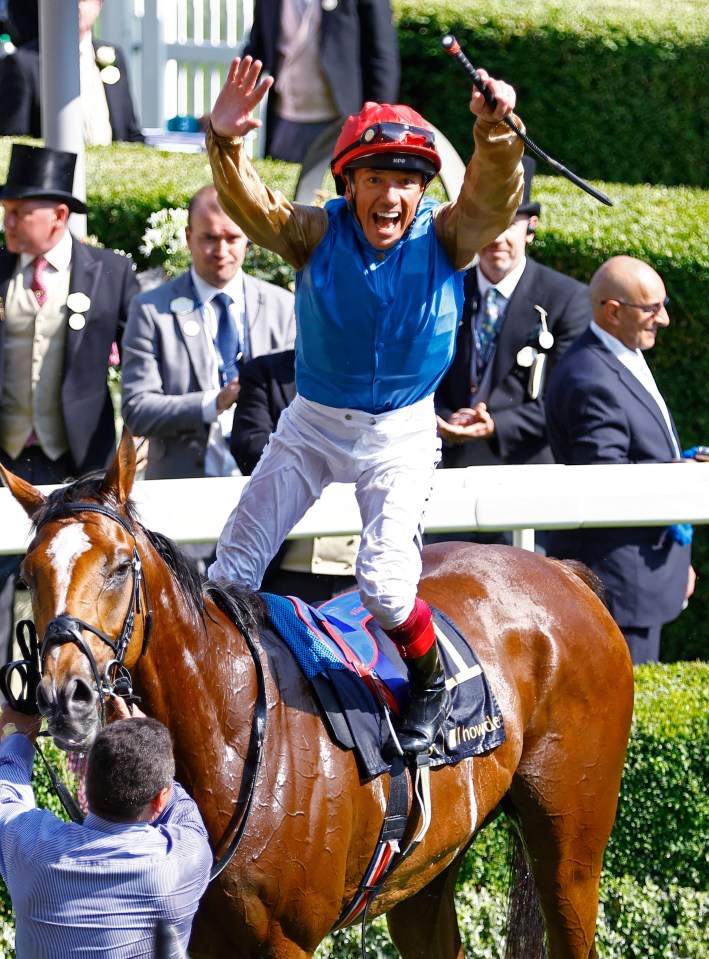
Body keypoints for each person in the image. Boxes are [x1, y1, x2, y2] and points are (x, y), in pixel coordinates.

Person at [204, 55, 524, 754]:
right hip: (312, 426)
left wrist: (494, 132)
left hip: (400, 436)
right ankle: (224, 689)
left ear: (422, 191)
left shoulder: (448, 235)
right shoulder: (314, 232)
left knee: (383, 584)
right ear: (347, 184)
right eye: (374, 179)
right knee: (228, 573)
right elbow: (253, 206)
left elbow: (492, 201)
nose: (390, 195)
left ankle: (430, 680)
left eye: (405, 181)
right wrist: (224, 140)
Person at [0, 143, 140, 664]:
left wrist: (137, 434)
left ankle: (77, 693)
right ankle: (7, 714)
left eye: (19, 212)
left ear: (58, 216)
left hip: (79, 457)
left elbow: (139, 359)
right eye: (6, 211)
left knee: (77, 584)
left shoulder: (109, 271)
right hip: (6, 460)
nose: (8, 222)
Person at [432, 155, 591, 547]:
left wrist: (495, 425)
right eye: (487, 224)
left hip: (523, 482)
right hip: (443, 480)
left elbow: (563, 402)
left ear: (530, 228)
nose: (497, 237)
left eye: (510, 224)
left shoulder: (568, 299)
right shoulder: (444, 289)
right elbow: (412, 377)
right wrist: (436, 417)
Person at [545, 255, 695, 665]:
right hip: (620, 589)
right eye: (652, 309)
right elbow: (605, 480)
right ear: (613, 312)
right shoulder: (590, 375)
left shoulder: (617, 352)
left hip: (643, 577)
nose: (663, 319)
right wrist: (680, 475)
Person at [0, 696, 212, 957]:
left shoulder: (31, 850)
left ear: (86, 784)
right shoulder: (187, 858)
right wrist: (145, 751)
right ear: (160, 798)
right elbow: (181, 810)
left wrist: (16, 734)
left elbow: (6, 796)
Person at [121, 185, 296, 482]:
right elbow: (137, 409)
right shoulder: (151, 310)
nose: (221, 251)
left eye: (232, 238)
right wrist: (213, 403)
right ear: (189, 238)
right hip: (184, 485)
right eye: (209, 238)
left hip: (269, 481)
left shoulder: (282, 306)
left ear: (248, 239)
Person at [231, 348, 358, 601]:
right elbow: (249, 447)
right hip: (288, 571)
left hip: (366, 572)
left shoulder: (389, 375)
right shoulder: (264, 372)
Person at [244, 0, 399, 163]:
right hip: (284, 122)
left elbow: (381, 56)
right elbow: (256, 48)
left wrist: (377, 121)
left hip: (342, 120)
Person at [0, 0, 143, 143]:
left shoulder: (114, 56)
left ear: (98, 6)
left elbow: (131, 132)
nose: (77, 6)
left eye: (84, 0)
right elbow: (13, 138)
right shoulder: (23, 63)